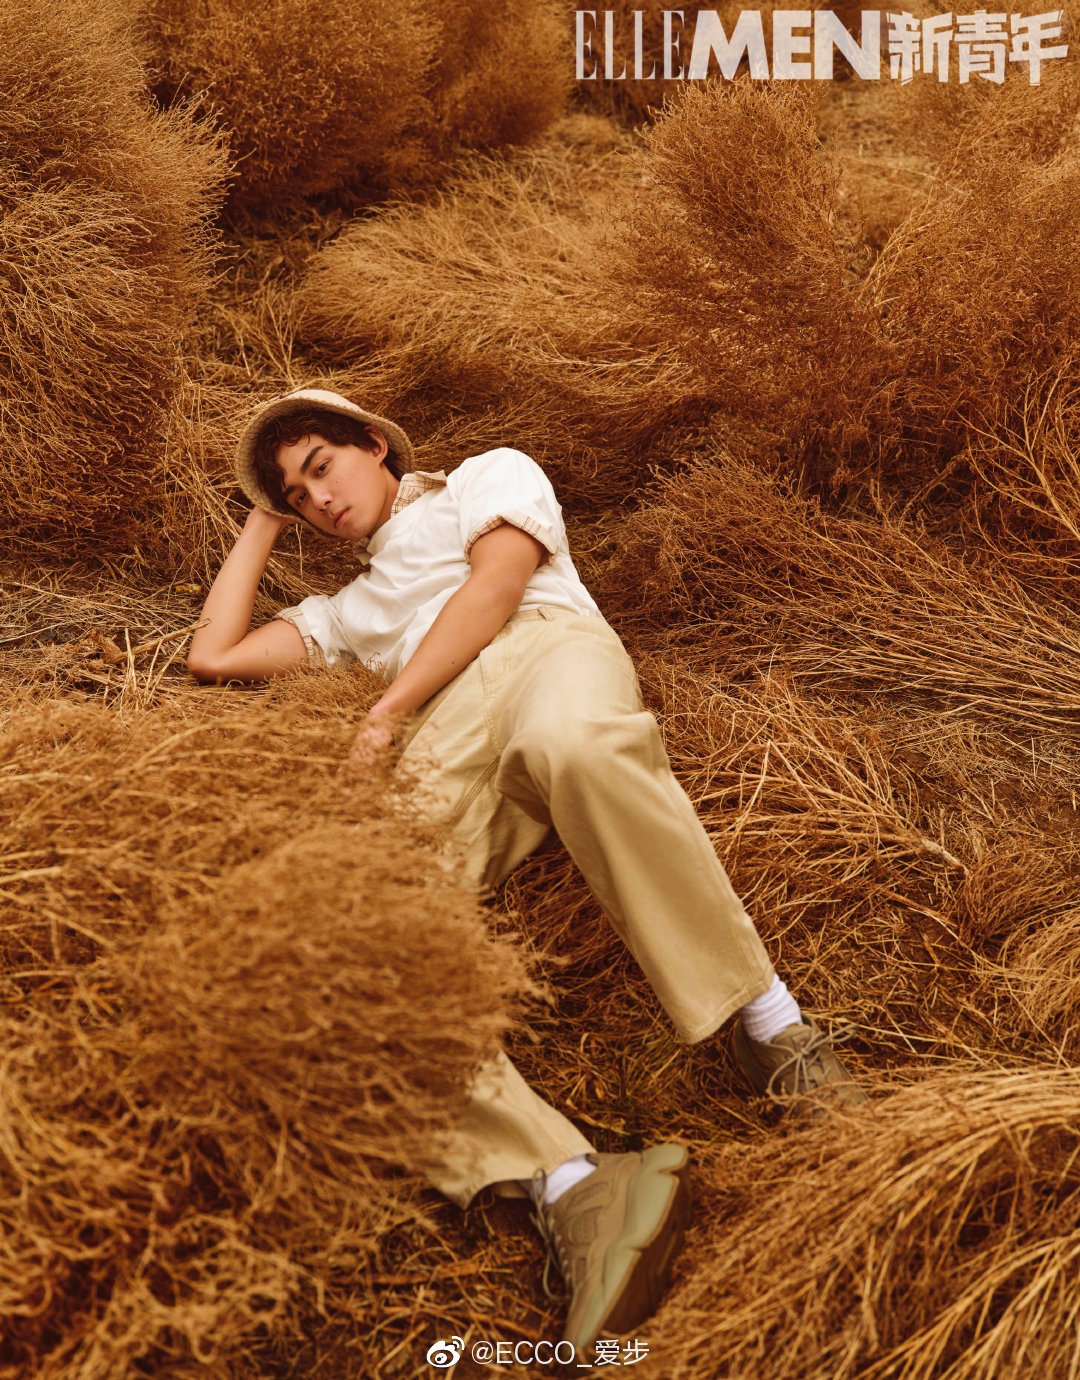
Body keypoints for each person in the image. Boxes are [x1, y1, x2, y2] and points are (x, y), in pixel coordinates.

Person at [187, 386, 868, 1360]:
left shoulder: (486, 477)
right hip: (447, 737)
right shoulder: (349, 610)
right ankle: (573, 1185)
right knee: (345, 939)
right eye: (298, 495)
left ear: (374, 444)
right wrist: (261, 509)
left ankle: (774, 1030)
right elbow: (213, 655)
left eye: (321, 467)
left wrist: (382, 714)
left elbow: (497, 587)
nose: (317, 500)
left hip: (541, 652)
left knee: (572, 746)